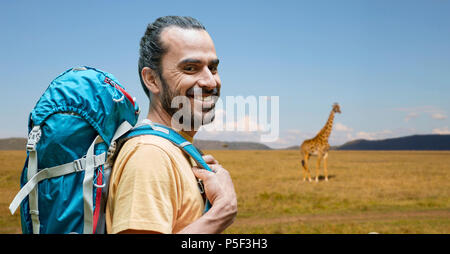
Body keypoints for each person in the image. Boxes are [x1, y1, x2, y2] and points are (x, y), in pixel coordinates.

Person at [105, 16, 237, 234]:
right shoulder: (150, 154)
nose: (210, 82)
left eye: (212, 68)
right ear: (152, 80)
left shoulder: (175, 149)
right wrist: (222, 212)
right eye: (190, 68)